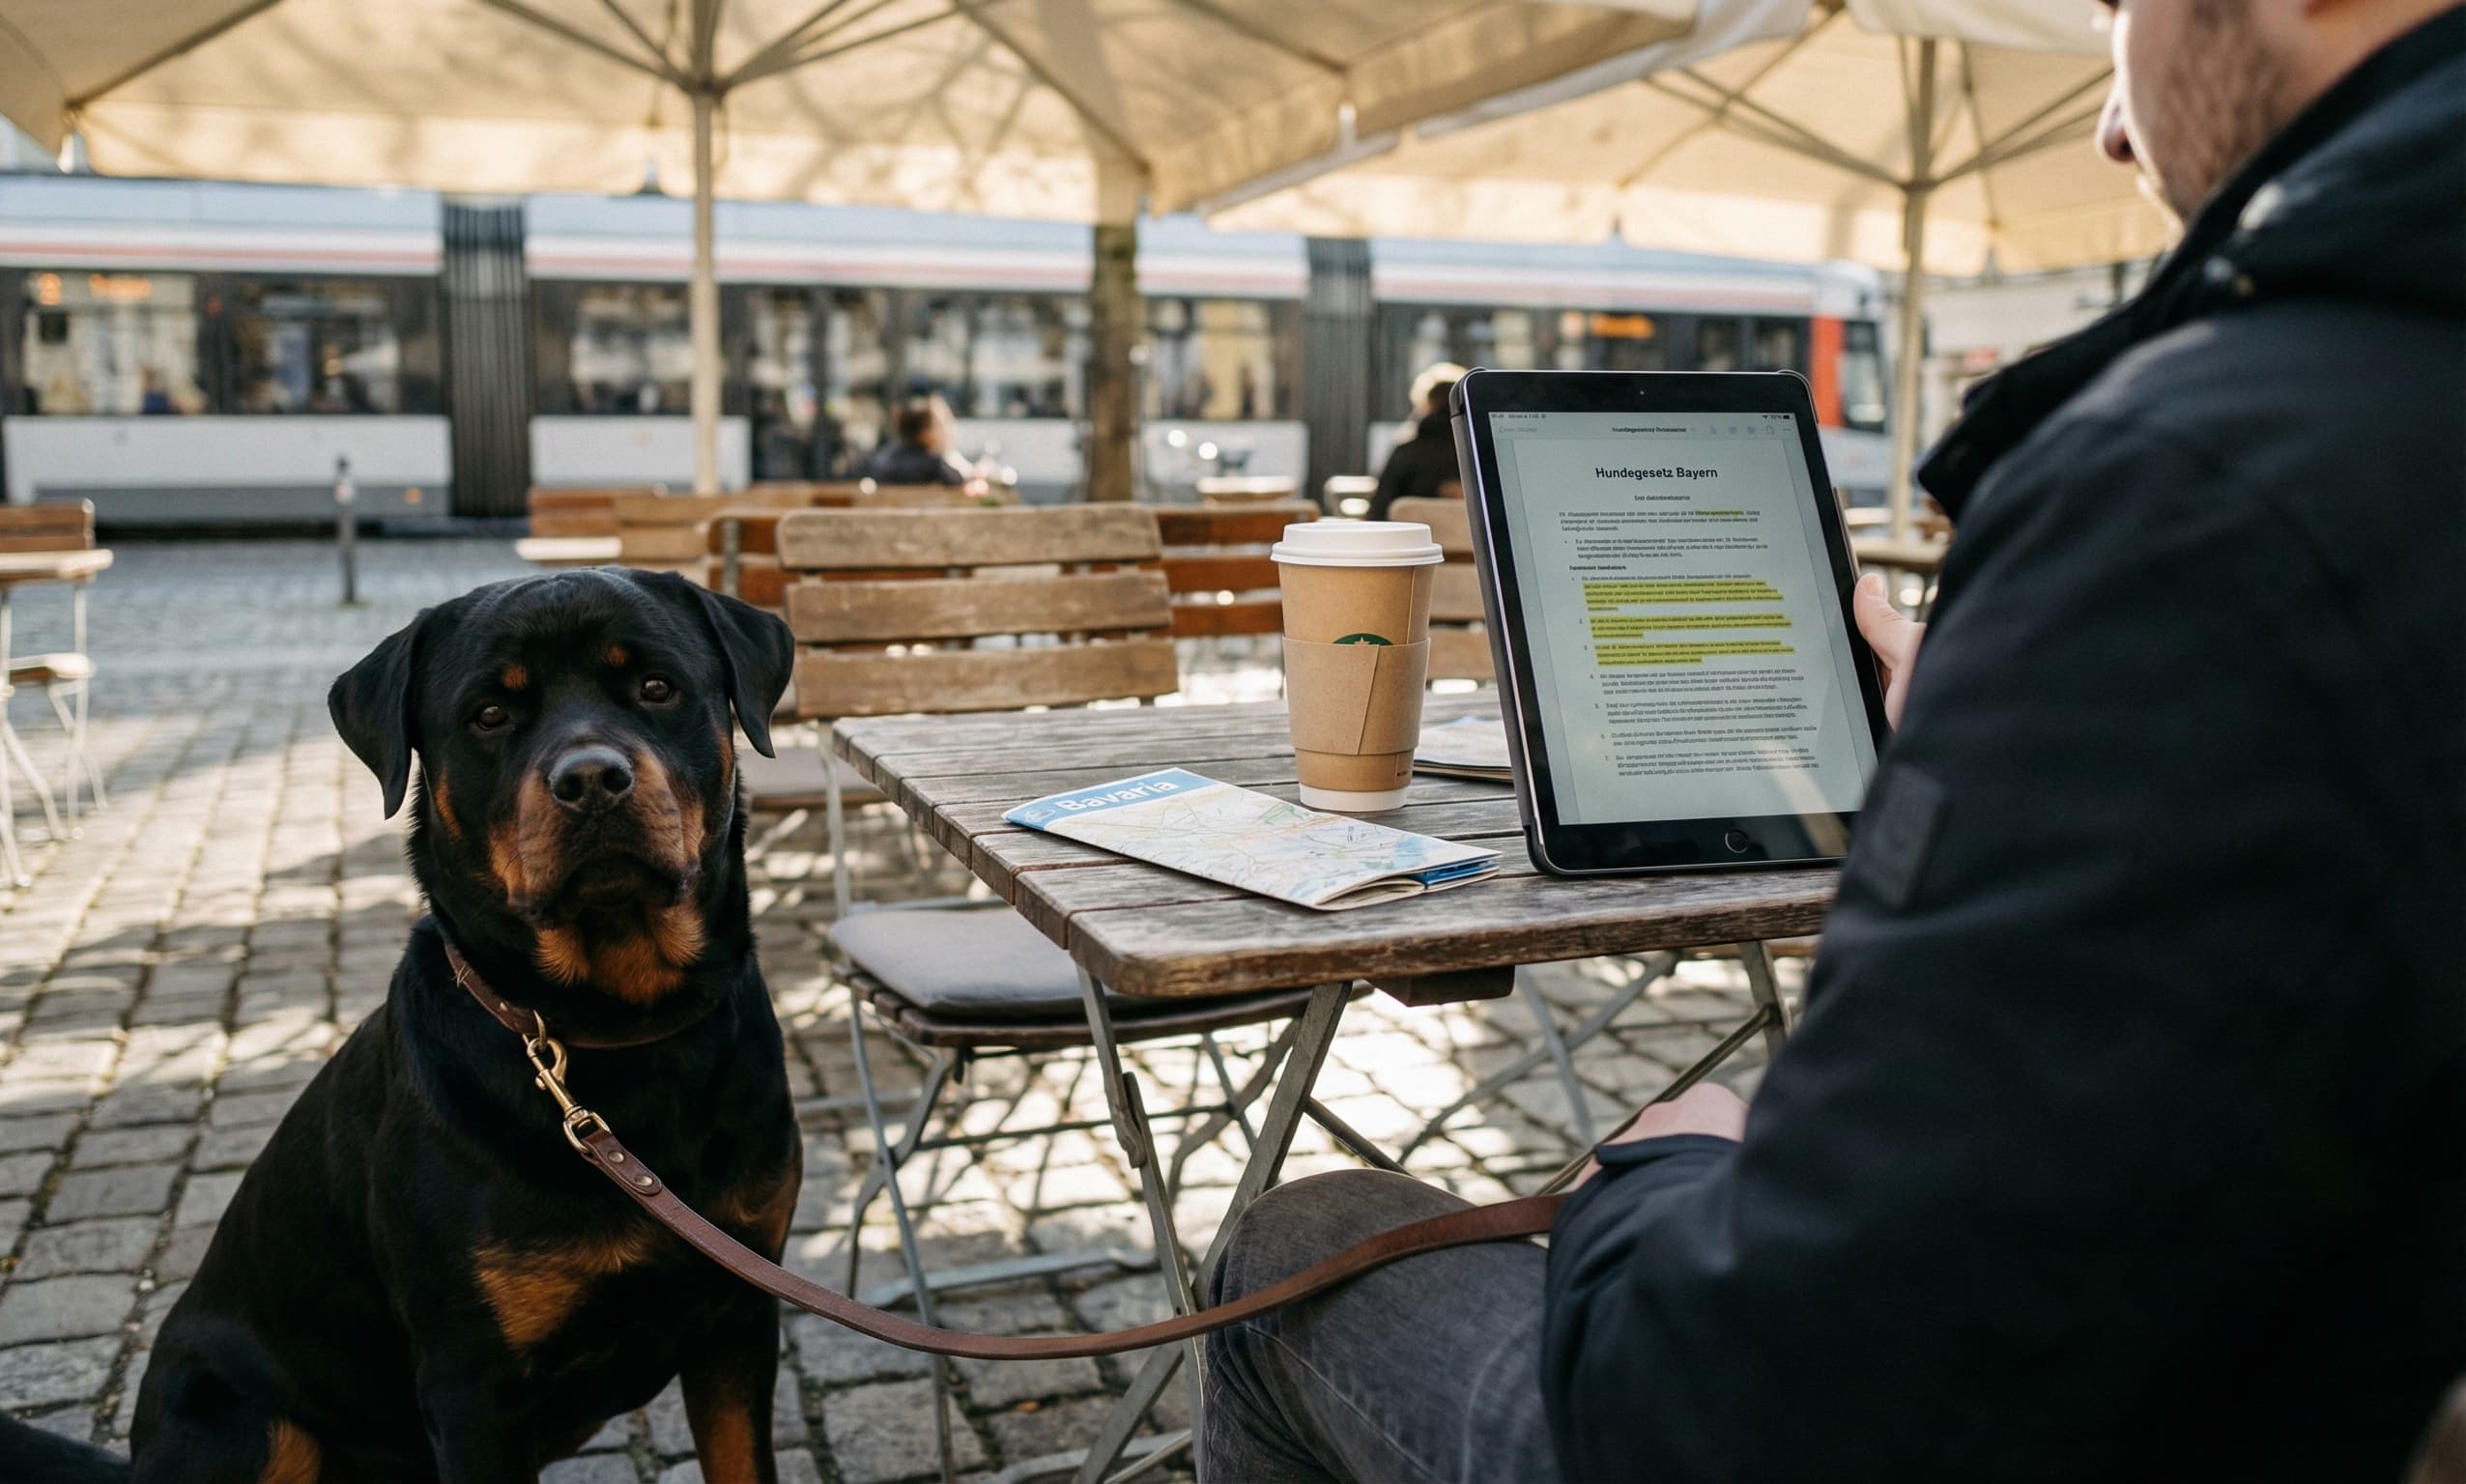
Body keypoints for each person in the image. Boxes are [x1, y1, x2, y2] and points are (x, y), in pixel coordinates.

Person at [1201, 2, 2466, 1479]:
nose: (2115, 122)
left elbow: (1756, 1412)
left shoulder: (2201, 479)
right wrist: (2030, 757)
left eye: (2126, 8)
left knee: (1303, 1243)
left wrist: (1667, 1174)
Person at [1365, 361, 1466, 519]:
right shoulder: (1484, 455)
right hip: (1470, 543)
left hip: (1412, 542)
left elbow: (1378, 513)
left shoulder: (1406, 454)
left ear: (1429, 407)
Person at [864, 393, 973, 486]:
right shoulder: (932, 464)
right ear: (923, 433)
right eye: (935, 426)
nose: (941, 431)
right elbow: (958, 481)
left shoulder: (884, 458)